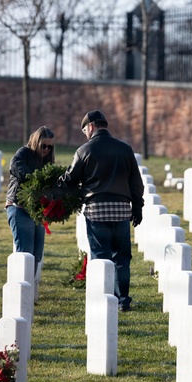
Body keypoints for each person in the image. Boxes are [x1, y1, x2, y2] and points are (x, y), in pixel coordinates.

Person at [58, 109, 144, 311]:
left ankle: (105, 298)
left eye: (84, 131)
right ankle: (123, 300)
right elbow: (136, 182)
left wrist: (57, 184)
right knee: (122, 258)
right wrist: (138, 207)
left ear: (90, 126)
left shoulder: (84, 150)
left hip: (96, 210)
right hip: (122, 210)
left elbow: (70, 179)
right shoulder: (125, 149)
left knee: (101, 256)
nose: (85, 135)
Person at [5, 125, 56, 269]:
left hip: (36, 211)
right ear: (36, 142)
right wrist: (36, 179)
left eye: (50, 147)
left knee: (36, 255)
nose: (46, 149)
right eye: (43, 145)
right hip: (19, 207)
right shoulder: (24, 153)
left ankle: (30, 282)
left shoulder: (47, 160)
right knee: (25, 252)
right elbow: (16, 167)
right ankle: (21, 282)